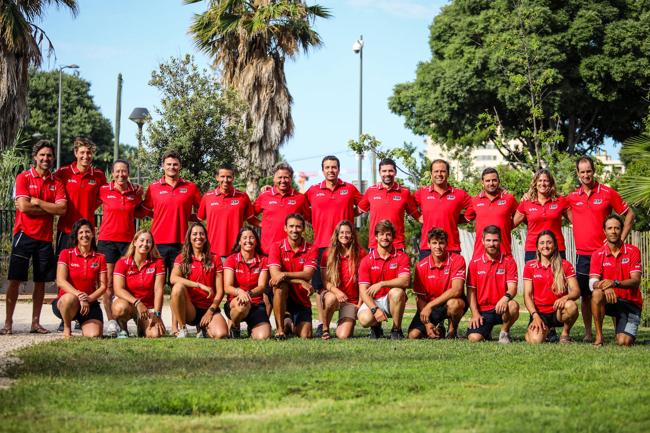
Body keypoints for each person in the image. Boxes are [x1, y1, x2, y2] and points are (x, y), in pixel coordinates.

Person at [566, 156, 635, 342]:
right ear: (577, 174)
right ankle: (590, 333)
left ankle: (617, 331)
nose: (586, 175)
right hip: (583, 255)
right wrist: (578, 225)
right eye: (582, 172)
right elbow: (563, 209)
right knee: (586, 297)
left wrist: (620, 239)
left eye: (589, 171)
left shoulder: (607, 192)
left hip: (606, 255)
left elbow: (629, 214)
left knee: (611, 291)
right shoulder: (572, 197)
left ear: (593, 171)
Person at [3, 140, 66, 335]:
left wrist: (38, 202)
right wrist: (48, 208)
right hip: (24, 235)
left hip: (45, 238)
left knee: (40, 283)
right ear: (35, 157)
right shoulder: (23, 177)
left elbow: (62, 209)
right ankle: (8, 323)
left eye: (49, 155)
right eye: (42, 155)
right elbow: (23, 206)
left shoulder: (57, 182)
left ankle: (35, 323)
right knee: (15, 280)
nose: (46, 158)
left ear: (53, 158)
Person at [305, 155, 362, 337]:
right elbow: (301, 207)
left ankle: (344, 315)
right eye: (327, 167)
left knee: (346, 281)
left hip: (345, 244)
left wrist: (352, 215)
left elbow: (364, 205)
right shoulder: (313, 191)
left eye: (334, 167)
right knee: (321, 288)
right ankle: (323, 325)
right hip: (322, 245)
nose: (331, 170)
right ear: (323, 170)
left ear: (339, 169)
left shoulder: (350, 189)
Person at [97, 159, 146, 337]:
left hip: (128, 243)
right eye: (117, 171)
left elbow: (142, 211)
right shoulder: (103, 190)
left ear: (128, 172)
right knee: (108, 284)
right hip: (107, 241)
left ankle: (129, 318)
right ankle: (111, 322)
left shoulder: (136, 192)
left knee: (128, 281)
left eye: (124, 171)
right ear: (112, 173)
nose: (121, 174)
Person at [142, 150, 202, 275]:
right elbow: (145, 210)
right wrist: (158, 215)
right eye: (168, 164)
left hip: (183, 243)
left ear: (180, 166)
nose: (172, 167)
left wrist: (189, 217)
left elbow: (203, 211)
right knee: (157, 282)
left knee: (180, 282)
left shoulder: (191, 187)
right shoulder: (153, 187)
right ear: (163, 166)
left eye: (175, 164)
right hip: (158, 242)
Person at [589, 215, 643, 347]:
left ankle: (621, 329)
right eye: (610, 228)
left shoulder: (633, 251)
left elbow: (636, 281)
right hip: (611, 301)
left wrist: (615, 283)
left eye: (617, 228)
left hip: (631, 304)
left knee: (624, 342)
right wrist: (605, 287)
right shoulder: (597, 254)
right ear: (604, 231)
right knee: (596, 293)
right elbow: (592, 283)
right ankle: (599, 337)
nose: (613, 231)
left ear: (621, 230)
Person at [170, 222, 228, 339]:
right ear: (189, 238)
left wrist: (210, 311)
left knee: (221, 334)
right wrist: (199, 285)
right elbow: (173, 278)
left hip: (209, 307)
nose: (198, 237)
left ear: (206, 238)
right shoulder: (182, 257)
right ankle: (183, 329)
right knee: (177, 287)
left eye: (201, 234)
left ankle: (203, 329)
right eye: (194, 234)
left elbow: (220, 292)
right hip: (190, 309)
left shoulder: (215, 258)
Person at [408, 227, 466, 340]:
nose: (438, 247)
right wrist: (427, 324)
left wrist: (429, 306)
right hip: (432, 307)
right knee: (413, 335)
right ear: (428, 245)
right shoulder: (421, 266)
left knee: (455, 304)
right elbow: (420, 298)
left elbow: (457, 290)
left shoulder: (458, 260)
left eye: (441, 243)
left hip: (450, 303)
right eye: (434, 243)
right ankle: (437, 329)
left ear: (447, 244)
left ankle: (452, 331)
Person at [523, 230, 580, 344]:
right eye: (542, 243)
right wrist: (535, 316)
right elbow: (527, 296)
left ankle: (565, 334)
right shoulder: (530, 266)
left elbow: (576, 291)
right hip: (540, 313)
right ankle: (542, 331)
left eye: (549, 242)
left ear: (554, 245)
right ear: (537, 247)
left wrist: (564, 298)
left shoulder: (565, 265)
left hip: (558, 311)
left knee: (572, 306)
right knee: (535, 341)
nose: (545, 246)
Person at [52, 219, 106, 338]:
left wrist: (89, 299)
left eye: (87, 232)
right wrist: (79, 295)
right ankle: (67, 328)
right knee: (69, 299)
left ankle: (83, 323)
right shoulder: (66, 253)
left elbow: (103, 286)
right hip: (68, 302)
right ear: (76, 236)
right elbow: (60, 281)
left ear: (93, 234)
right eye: (81, 232)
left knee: (94, 335)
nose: (84, 235)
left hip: (89, 303)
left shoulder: (100, 257)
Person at [357, 220, 410, 340]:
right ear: (376, 237)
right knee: (365, 320)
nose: (384, 237)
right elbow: (363, 291)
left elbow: (405, 281)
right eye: (381, 234)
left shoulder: (402, 257)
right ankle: (376, 327)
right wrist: (375, 310)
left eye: (388, 234)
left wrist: (382, 284)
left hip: (391, 300)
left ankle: (396, 330)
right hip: (373, 300)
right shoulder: (366, 260)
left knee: (397, 292)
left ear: (393, 237)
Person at [268, 213, 318, 340]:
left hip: (301, 298)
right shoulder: (276, 246)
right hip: (282, 296)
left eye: (298, 226)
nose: (294, 230)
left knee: (306, 335)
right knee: (279, 286)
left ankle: (289, 322)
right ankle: (279, 330)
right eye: (291, 226)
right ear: (285, 228)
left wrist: (284, 274)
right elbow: (275, 276)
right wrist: (300, 281)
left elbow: (308, 274)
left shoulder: (312, 248)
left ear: (303, 229)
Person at [54, 137, 107, 256]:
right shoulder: (63, 172)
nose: (86, 156)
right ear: (75, 153)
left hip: (87, 232)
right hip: (66, 230)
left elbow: (106, 195)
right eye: (82, 152)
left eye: (89, 152)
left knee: (87, 267)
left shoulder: (99, 175)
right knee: (62, 266)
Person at [466, 225, 519, 343]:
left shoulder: (509, 261)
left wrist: (505, 298)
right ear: (483, 241)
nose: (492, 244)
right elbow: (471, 292)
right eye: (488, 240)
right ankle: (486, 331)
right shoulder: (474, 263)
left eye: (495, 240)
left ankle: (504, 333)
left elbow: (513, 288)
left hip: (501, 308)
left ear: (500, 241)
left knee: (513, 305)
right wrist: (475, 314)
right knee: (474, 339)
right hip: (483, 311)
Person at [414, 159, 473, 259]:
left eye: (443, 171)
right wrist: (417, 215)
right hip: (428, 247)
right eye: (436, 171)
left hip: (451, 247)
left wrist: (463, 218)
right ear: (431, 174)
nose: (439, 174)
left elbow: (475, 206)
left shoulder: (459, 194)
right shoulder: (422, 193)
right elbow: (408, 203)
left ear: (448, 174)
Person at [112, 229, 166, 338]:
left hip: (147, 308)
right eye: (142, 240)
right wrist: (137, 303)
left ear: (152, 245)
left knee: (155, 334)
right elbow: (118, 289)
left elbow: (159, 290)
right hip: (129, 304)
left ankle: (141, 327)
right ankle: (123, 330)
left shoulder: (158, 262)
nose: (145, 244)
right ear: (135, 242)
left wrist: (157, 314)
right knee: (119, 308)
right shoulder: (122, 262)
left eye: (148, 241)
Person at [358, 157, 420, 250]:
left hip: (397, 245)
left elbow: (417, 216)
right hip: (376, 245)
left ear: (395, 172)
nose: (387, 174)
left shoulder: (404, 192)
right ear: (380, 173)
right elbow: (356, 211)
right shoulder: (371, 191)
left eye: (390, 171)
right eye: (384, 171)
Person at [320, 220, 367, 340]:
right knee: (330, 298)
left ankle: (343, 321)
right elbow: (325, 281)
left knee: (343, 335)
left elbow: (364, 282)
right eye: (341, 232)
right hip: (334, 295)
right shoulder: (327, 254)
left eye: (348, 233)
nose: (344, 235)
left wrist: (360, 303)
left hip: (351, 300)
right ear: (337, 234)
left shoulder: (361, 254)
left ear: (352, 235)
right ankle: (325, 329)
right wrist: (337, 292)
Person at [250, 162, 310, 255]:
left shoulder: (300, 198)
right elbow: (249, 215)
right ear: (274, 179)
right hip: (268, 251)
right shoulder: (264, 196)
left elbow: (309, 219)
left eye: (286, 177)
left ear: (291, 179)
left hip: (293, 251)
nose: (283, 180)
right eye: (280, 177)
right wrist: (262, 224)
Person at [223, 227, 271, 340]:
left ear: (256, 241)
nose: (248, 241)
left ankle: (252, 327)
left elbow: (262, 286)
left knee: (263, 337)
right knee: (242, 305)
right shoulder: (231, 259)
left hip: (256, 304)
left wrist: (247, 293)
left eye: (251, 238)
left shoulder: (263, 260)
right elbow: (227, 287)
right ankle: (234, 325)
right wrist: (240, 292)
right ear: (239, 241)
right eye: (244, 238)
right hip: (235, 302)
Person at [198, 163, 253, 260]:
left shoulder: (243, 197)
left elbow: (250, 219)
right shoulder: (207, 197)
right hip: (212, 252)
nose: (225, 180)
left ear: (233, 178)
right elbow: (199, 220)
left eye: (229, 177)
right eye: (222, 176)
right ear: (217, 177)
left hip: (237, 251)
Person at [514, 169, 569, 262]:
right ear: (535, 183)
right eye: (539, 180)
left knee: (558, 277)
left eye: (546, 180)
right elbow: (510, 224)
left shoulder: (560, 201)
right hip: (533, 250)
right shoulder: (526, 202)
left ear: (551, 183)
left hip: (556, 248)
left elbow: (577, 221)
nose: (542, 183)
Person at [464, 168, 518, 258]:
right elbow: (465, 218)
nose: (491, 183)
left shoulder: (509, 199)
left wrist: (508, 226)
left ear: (499, 181)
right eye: (488, 181)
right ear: (482, 182)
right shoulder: (475, 201)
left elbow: (521, 215)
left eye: (494, 180)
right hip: (480, 255)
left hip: (504, 253)